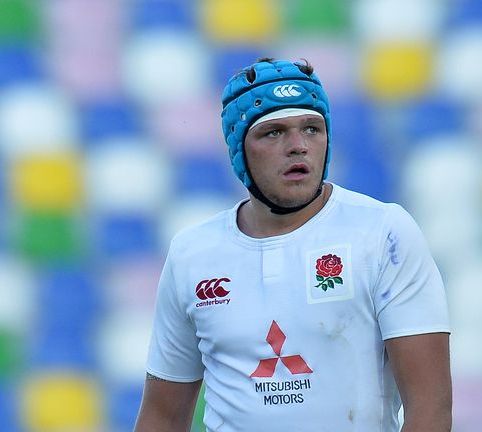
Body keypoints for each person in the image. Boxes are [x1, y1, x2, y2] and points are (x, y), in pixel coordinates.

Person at [134, 58, 451, 432]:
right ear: (239, 150)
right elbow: (162, 417)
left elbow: (430, 407)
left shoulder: (383, 233)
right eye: (273, 133)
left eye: (312, 128)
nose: (298, 146)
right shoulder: (193, 253)